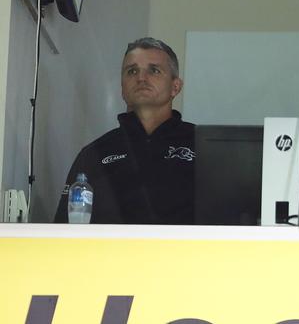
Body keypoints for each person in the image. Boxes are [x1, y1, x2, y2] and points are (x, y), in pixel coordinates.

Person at [54, 37, 195, 224]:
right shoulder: (94, 154)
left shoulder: (202, 145)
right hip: (108, 253)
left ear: (175, 87)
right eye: (132, 71)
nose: (141, 78)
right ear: (122, 89)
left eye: (154, 70)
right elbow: (64, 228)